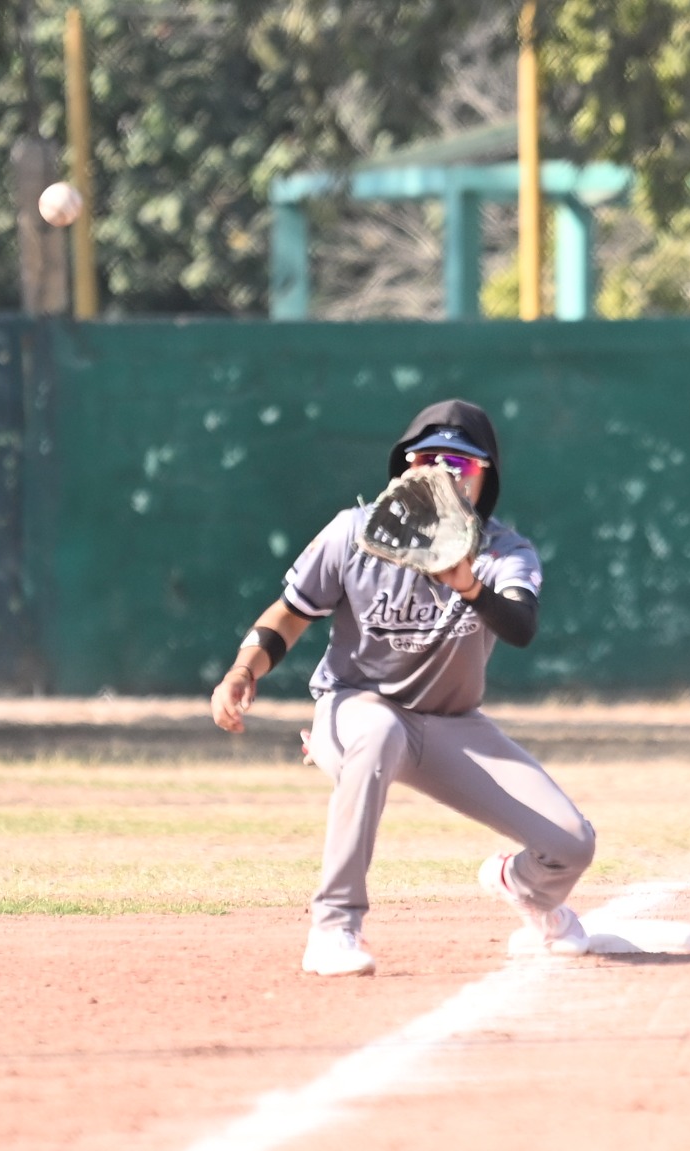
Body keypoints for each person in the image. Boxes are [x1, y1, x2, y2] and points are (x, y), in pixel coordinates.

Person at [210, 399, 596, 976]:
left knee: (570, 844)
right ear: (403, 468)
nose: (440, 473)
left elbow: (520, 627)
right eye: (427, 459)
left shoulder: (501, 553)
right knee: (379, 728)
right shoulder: (354, 533)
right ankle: (334, 928)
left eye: (459, 464)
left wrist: (467, 584)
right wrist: (243, 670)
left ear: (484, 477)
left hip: (451, 726)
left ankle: (522, 889)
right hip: (358, 710)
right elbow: (290, 613)